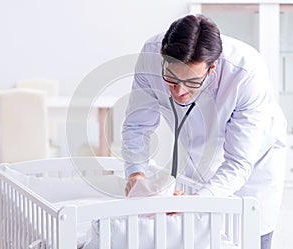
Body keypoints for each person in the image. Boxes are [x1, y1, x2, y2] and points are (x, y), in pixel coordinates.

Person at [121, 14, 287, 249]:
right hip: (199, 154)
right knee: (194, 236)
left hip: (254, 164)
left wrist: (198, 200)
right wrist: (136, 173)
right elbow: (137, 125)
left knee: (251, 235)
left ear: (212, 69)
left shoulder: (247, 72)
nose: (179, 91)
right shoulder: (150, 55)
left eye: (191, 82)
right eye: (171, 78)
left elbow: (239, 162)